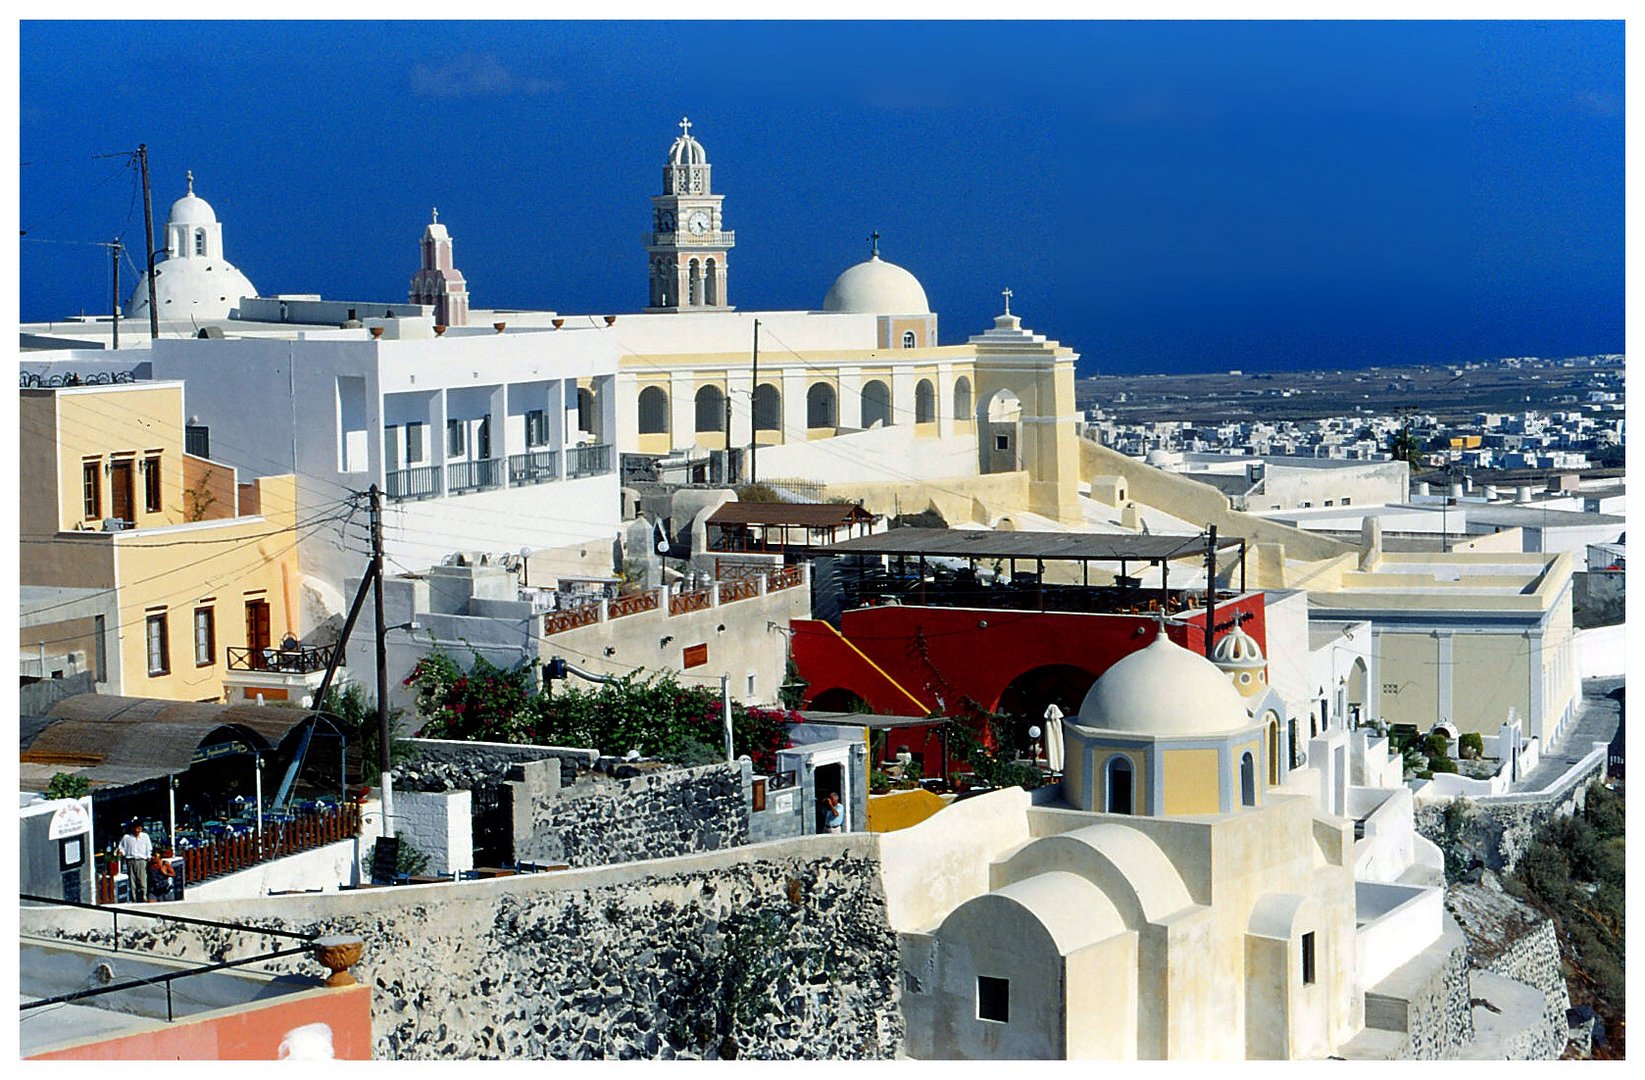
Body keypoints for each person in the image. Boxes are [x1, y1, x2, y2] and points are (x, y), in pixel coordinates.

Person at [118, 821, 152, 902]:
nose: (138, 829)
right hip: (130, 860)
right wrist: (121, 852)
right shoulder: (127, 837)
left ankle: (144, 897)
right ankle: (134, 898)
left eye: (140, 828)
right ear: (133, 828)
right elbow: (122, 848)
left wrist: (148, 856)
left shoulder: (145, 836)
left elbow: (149, 848)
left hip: (141, 860)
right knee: (132, 881)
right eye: (137, 828)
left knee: (142, 880)